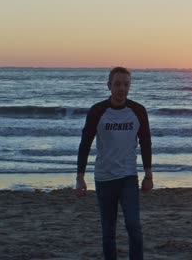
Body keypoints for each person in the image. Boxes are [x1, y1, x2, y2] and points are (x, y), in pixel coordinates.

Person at [76, 66, 153, 260]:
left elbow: (145, 143)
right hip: (104, 178)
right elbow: (85, 143)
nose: (121, 88)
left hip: (128, 176)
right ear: (109, 85)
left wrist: (148, 175)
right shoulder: (98, 111)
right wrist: (80, 177)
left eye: (126, 84)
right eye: (117, 84)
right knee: (108, 231)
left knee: (133, 226)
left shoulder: (138, 111)